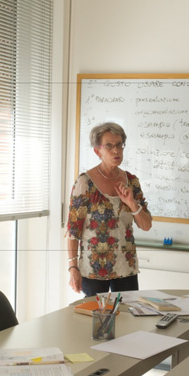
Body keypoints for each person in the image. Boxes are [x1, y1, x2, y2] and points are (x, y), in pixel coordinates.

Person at [66, 122, 152, 296]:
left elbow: (146, 225)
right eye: (109, 146)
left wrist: (132, 203)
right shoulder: (85, 182)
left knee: (127, 319)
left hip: (126, 268)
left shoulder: (131, 181)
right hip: (94, 269)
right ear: (98, 151)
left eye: (119, 145)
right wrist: (72, 268)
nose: (116, 151)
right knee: (97, 320)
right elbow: (73, 230)